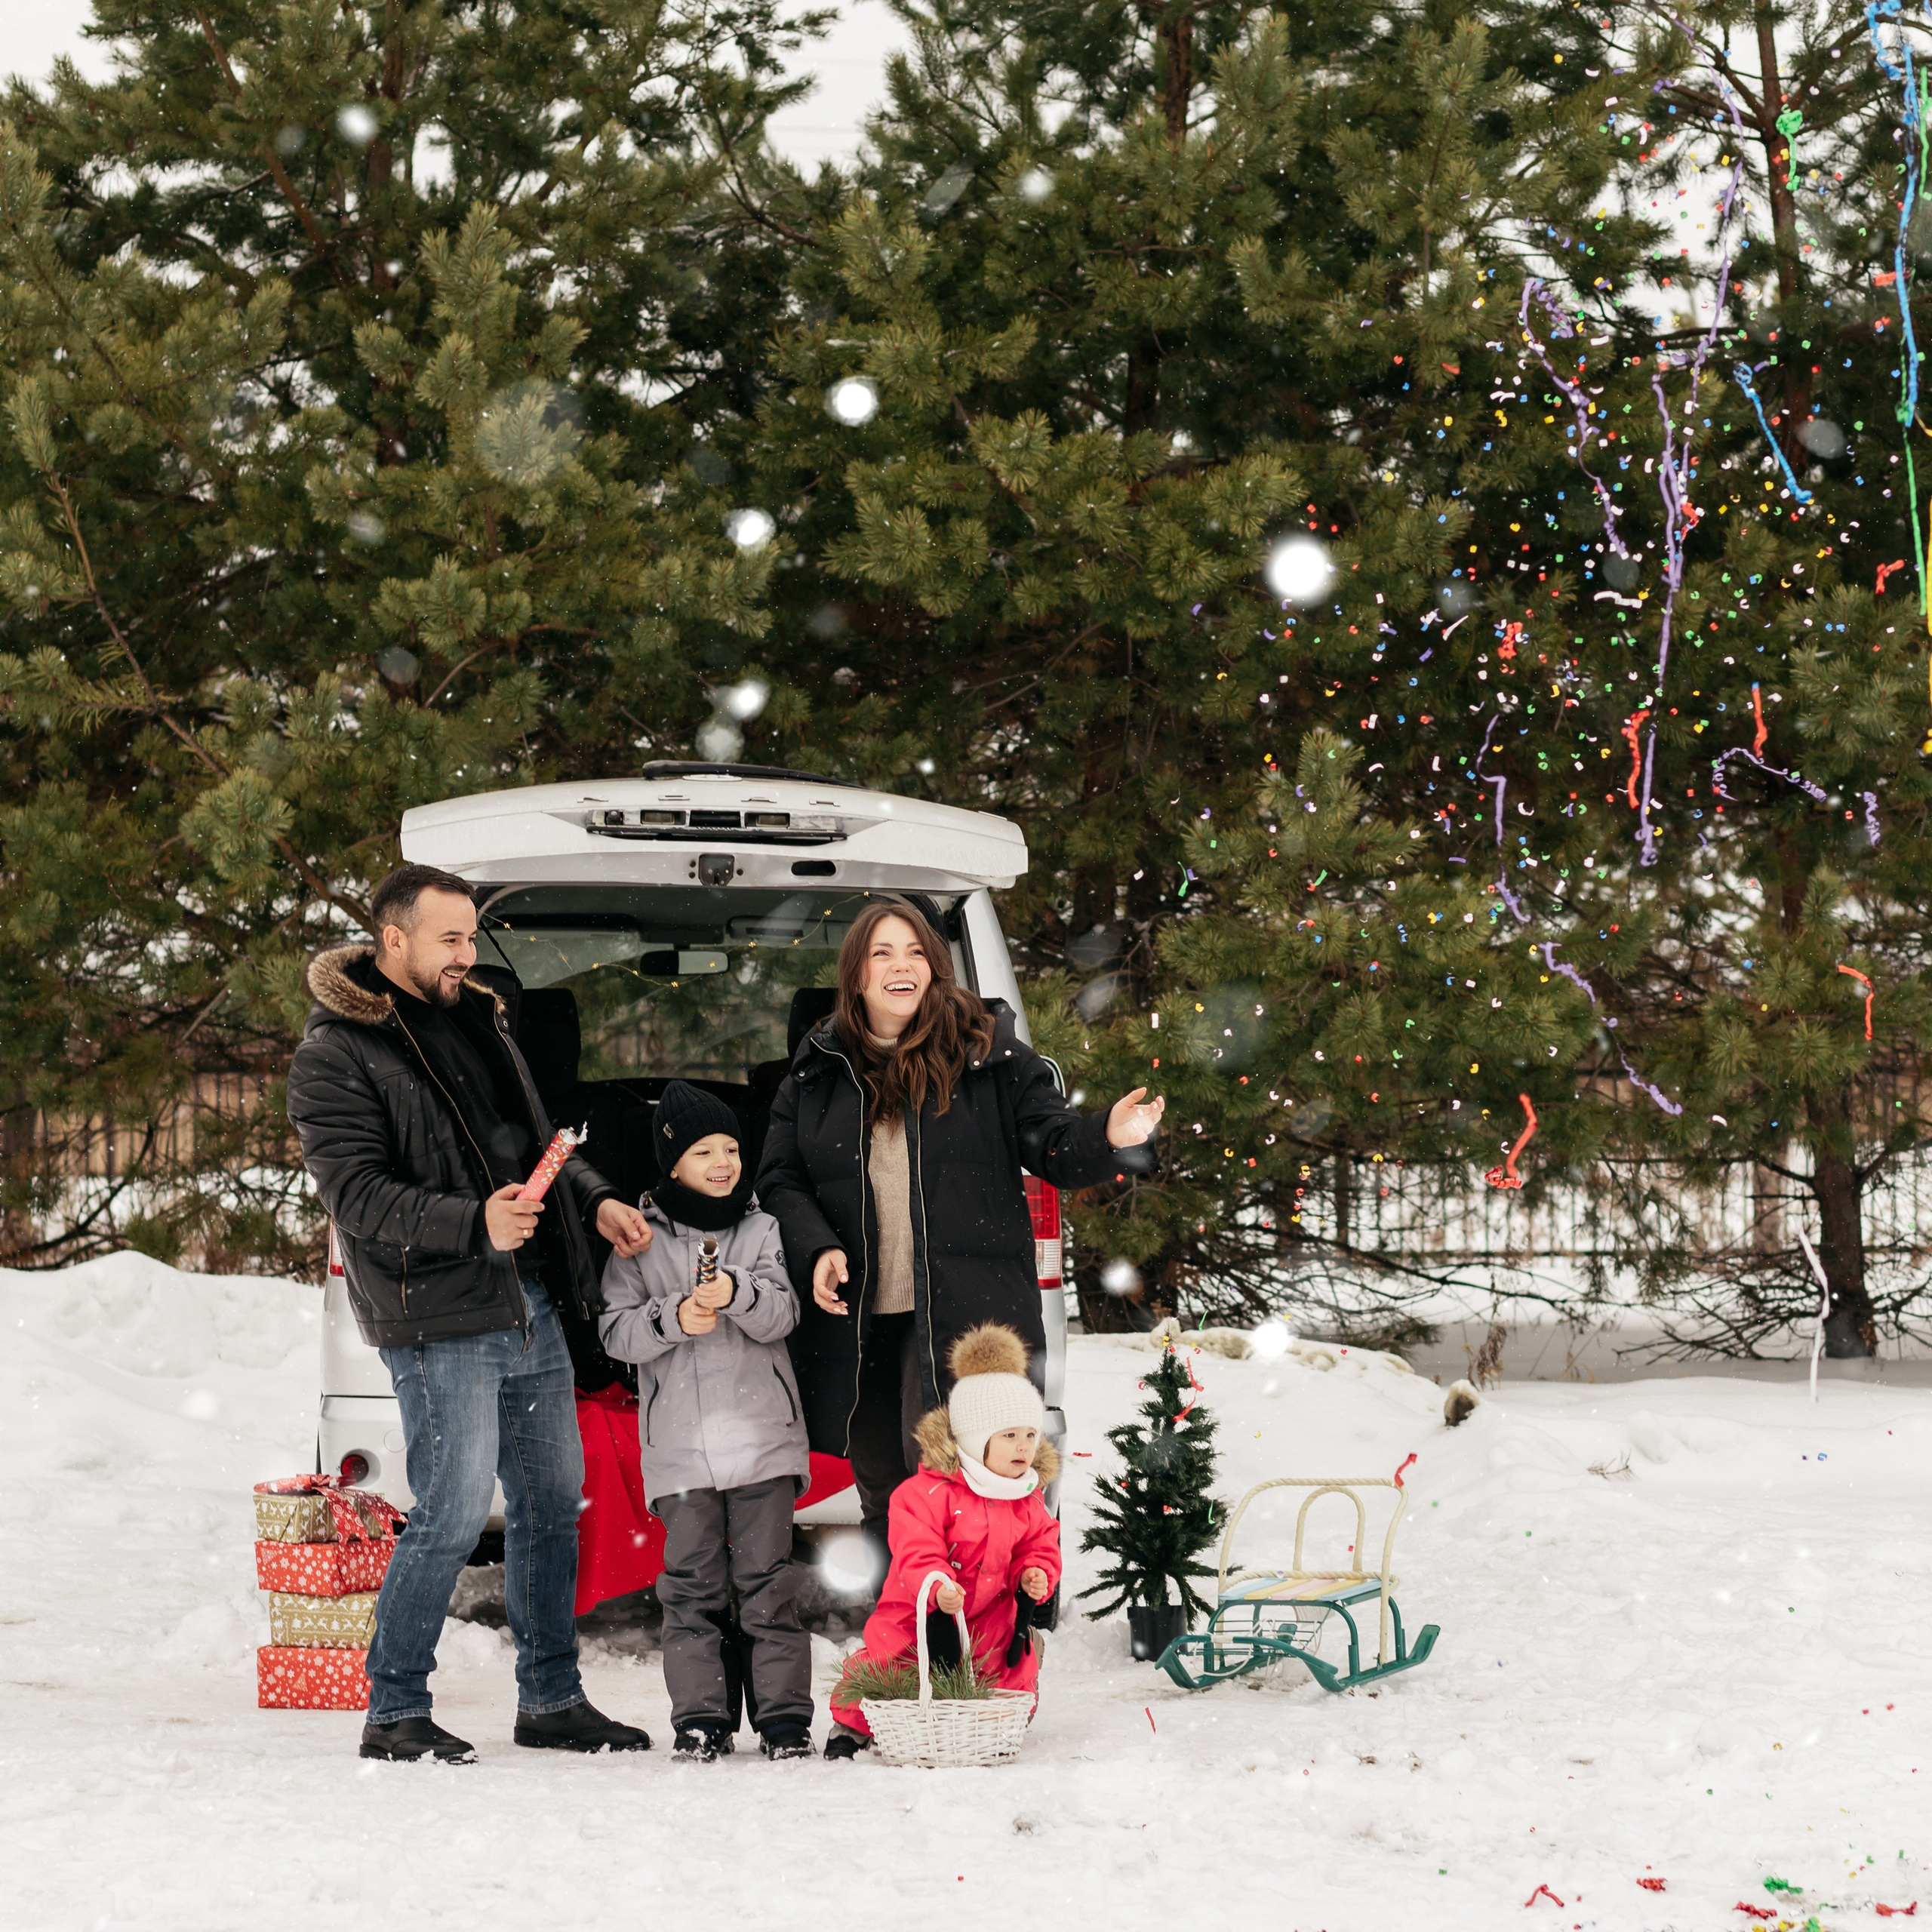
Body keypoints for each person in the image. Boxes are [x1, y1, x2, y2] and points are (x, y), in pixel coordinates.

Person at [287, 863, 656, 1764]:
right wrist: (473, 1221)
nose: (466, 955)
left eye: (470, 938)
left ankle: (552, 1698)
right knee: (451, 1512)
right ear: (393, 940)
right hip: (439, 1313)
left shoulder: (481, 1019)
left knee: (550, 1505)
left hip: (528, 1301)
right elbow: (359, 1196)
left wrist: (596, 1197)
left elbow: (534, 1145)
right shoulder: (337, 1052)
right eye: (449, 939)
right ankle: (396, 1707)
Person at [756, 896, 1162, 1573]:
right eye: (882, 953)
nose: (901, 966)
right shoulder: (819, 1068)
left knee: (958, 1483)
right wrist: (818, 1246)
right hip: (861, 1317)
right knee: (885, 1489)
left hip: (962, 1311)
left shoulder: (988, 1052)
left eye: (915, 951)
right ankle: (908, 1641)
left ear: (937, 967)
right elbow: (780, 1175)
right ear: (857, 974)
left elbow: (1054, 1145)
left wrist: (1108, 1136)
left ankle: (969, 1644)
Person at [598, 1082, 814, 1762]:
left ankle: (783, 1720)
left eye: (730, 1148)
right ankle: (701, 1718)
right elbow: (615, 1333)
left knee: (769, 1585)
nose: (722, 1161)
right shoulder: (639, 1242)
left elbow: (784, 1314)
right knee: (690, 1590)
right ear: (672, 1164)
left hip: (764, 1444)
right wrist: (671, 1318)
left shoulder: (760, 1229)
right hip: (683, 1453)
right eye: (703, 1150)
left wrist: (738, 1292)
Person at [825, 1324, 1061, 1758]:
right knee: (893, 1658)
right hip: (921, 1606)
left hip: (989, 1609)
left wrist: (1036, 1571)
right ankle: (853, 1723)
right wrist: (937, 1585)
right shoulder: (928, 1493)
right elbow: (917, 1549)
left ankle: (997, 1719)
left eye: (1030, 1435)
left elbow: (1041, 1542)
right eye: (1008, 1436)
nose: (1023, 1447)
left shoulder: (1026, 1493)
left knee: (1008, 1657)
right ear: (975, 1439)